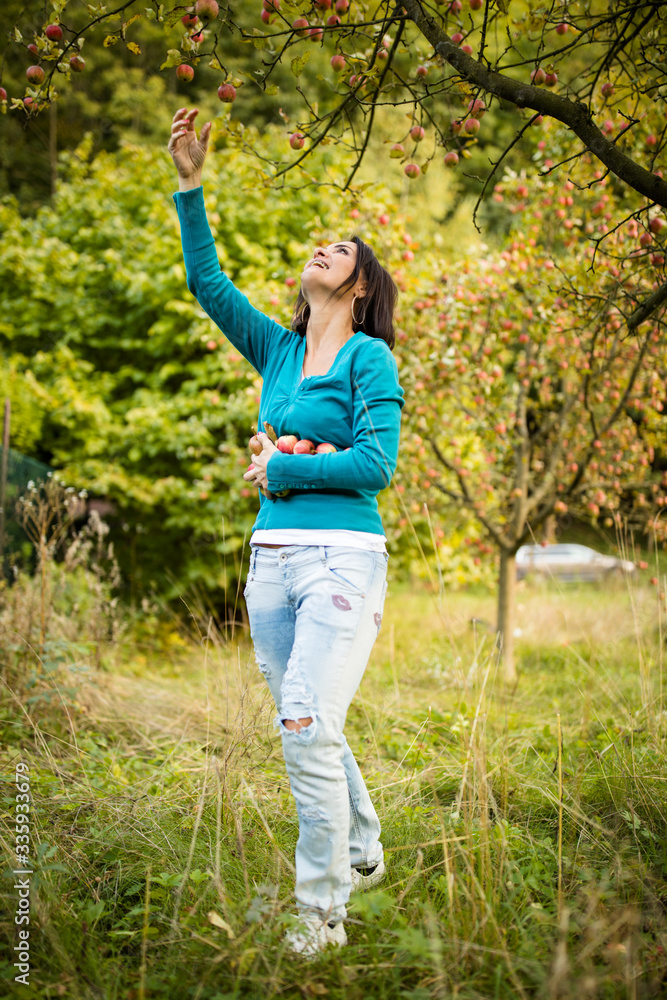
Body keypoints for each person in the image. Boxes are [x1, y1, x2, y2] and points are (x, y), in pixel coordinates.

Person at [168, 107, 404, 955]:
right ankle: (363, 841)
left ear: (360, 286)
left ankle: (321, 914)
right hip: (269, 561)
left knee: (305, 720)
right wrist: (191, 186)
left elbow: (376, 464)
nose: (321, 248)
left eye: (338, 250)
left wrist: (286, 467)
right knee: (303, 719)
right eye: (320, 245)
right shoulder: (274, 350)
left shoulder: (367, 360)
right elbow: (207, 285)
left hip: (343, 556)